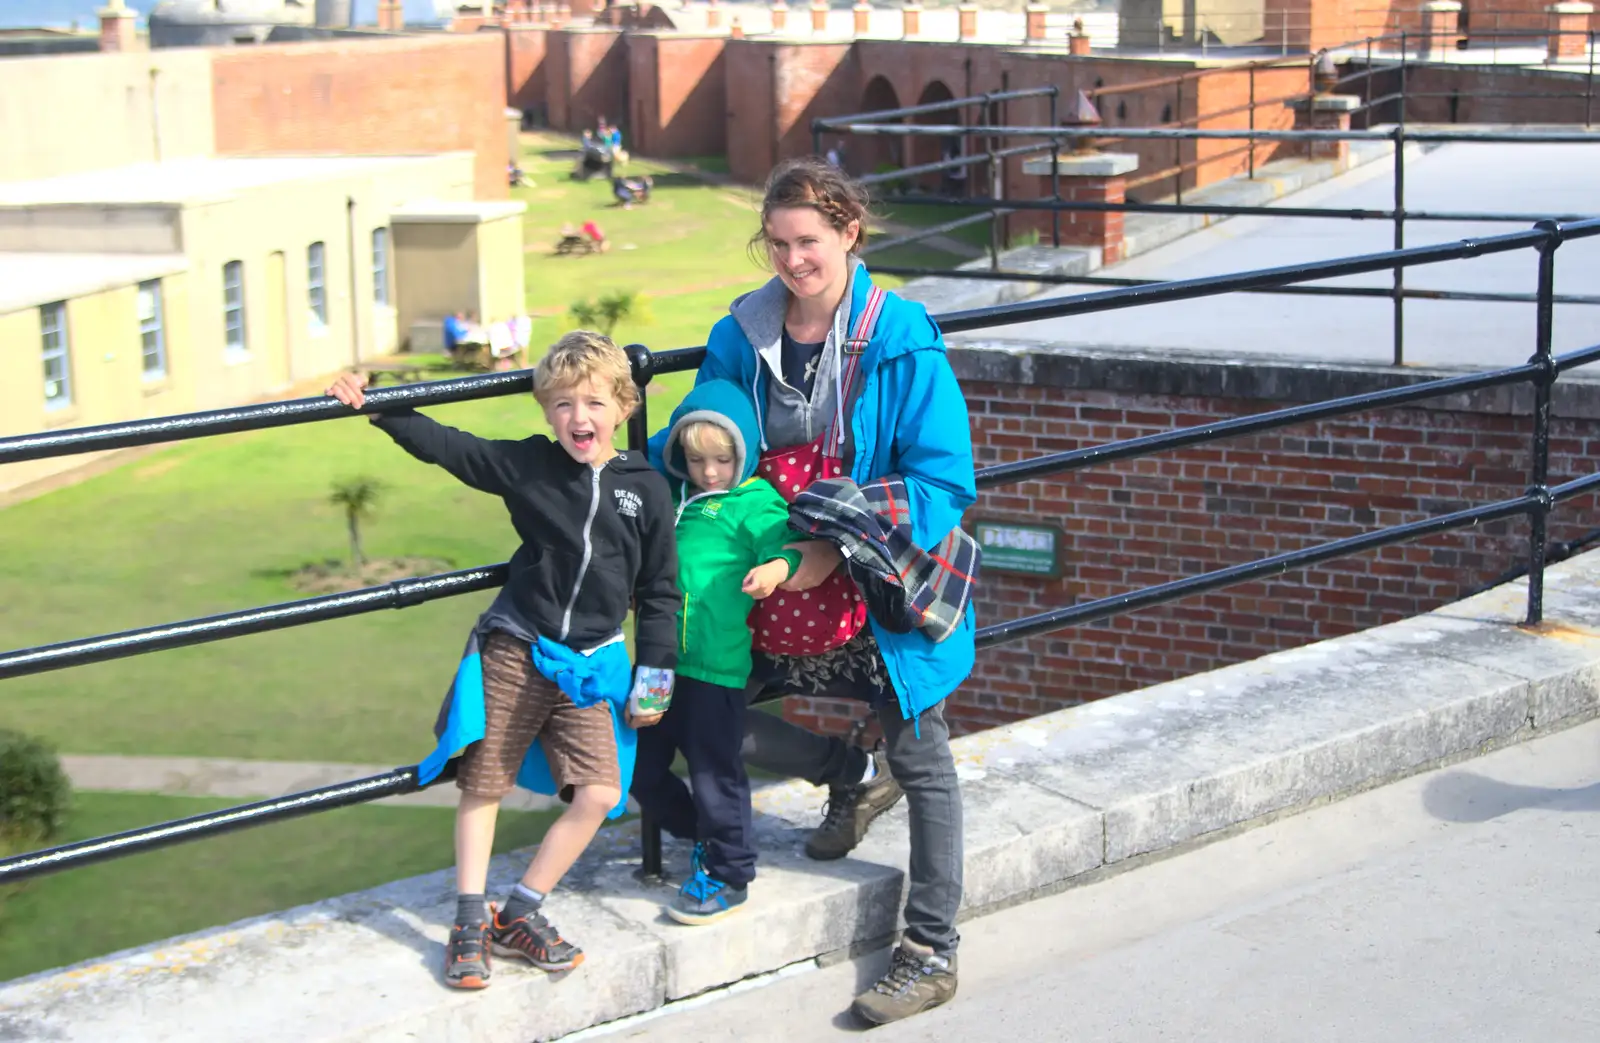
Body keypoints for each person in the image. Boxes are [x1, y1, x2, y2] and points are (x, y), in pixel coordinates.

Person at [650, 157, 976, 1026]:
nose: (794, 260)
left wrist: (833, 538)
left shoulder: (902, 336)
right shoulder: (739, 336)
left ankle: (931, 948)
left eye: (810, 241)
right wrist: (599, 456)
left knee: (926, 758)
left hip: (875, 584)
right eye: (780, 243)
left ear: (849, 234)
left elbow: (943, 480)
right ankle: (846, 770)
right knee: (699, 712)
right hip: (764, 583)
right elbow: (699, 442)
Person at [324, 331, 681, 990]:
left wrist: (656, 673)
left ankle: (519, 911)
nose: (581, 417)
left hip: (589, 663)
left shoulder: (647, 489)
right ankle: (467, 916)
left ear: (625, 406)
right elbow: (455, 450)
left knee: (602, 792)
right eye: (565, 403)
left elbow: (661, 589)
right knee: (484, 779)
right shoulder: (530, 466)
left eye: (596, 402)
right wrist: (377, 406)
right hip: (517, 645)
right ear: (547, 411)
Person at [632, 380, 802, 925]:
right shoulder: (675, 495)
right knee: (639, 768)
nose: (709, 473)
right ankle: (703, 838)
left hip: (717, 668)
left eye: (723, 460)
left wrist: (777, 569)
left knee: (714, 772)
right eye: (697, 459)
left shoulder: (753, 500)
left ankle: (731, 871)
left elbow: (786, 544)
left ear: (745, 452)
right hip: (659, 663)